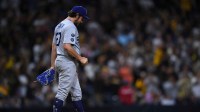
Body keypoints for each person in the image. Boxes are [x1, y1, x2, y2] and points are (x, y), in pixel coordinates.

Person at [50, 6, 89, 112]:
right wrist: (80, 58)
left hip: (62, 61)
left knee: (77, 94)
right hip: (67, 62)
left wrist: (52, 66)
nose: (81, 21)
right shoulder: (70, 26)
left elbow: (54, 47)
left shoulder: (59, 25)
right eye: (81, 18)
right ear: (76, 15)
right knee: (62, 93)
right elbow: (67, 46)